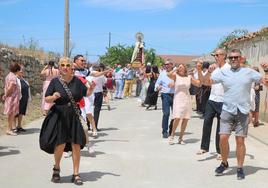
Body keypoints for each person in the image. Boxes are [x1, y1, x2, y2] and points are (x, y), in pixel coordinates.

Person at [211, 49, 268, 180]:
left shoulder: (248, 72)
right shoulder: (223, 72)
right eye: (231, 58)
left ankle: (240, 167)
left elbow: (265, 82)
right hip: (227, 110)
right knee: (223, 138)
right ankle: (224, 163)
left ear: (241, 58)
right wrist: (210, 70)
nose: (233, 59)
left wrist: (266, 71)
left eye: (236, 57)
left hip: (242, 111)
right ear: (228, 59)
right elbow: (208, 82)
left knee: (240, 141)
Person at [40, 57, 94, 185]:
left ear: (71, 67)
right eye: (62, 65)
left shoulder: (77, 81)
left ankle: (76, 173)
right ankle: (57, 168)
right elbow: (47, 98)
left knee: (76, 145)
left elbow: (86, 93)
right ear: (59, 67)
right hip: (59, 115)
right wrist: (53, 97)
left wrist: (91, 89)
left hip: (74, 115)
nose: (65, 67)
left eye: (67, 65)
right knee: (60, 144)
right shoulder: (55, 82)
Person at [197, 48, 230, 160]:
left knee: (220, 128)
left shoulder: (229, 69)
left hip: (223, 101)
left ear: (224, 56)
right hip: (212, 99)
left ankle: (220, 151)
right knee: (206, 122)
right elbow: (205, 83)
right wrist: (209, 72)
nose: (216, 57)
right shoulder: (213, 69)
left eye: (218, 55)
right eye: (214, 55)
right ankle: (204, 147)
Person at [168, 63, 201, 144]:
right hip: (178, 98)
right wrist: (174, 69)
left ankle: (181, 138)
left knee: (185, 118)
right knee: (177, 117)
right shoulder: (175, 75)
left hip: (186, 98)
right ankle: (172, 135)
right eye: (179, 67)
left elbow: (198, 83)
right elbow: (168, 75)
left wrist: (199, 72)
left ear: (185, 69)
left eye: (182, 67)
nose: (181, 68)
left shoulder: (189, 77)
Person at [155, 61, 175, 138]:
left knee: (175, 115)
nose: (166, 65)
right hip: (165, 95)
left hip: (175, 96)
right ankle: (164, 130)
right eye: (165, 64)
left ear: (171, 65)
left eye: (168, 64)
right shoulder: (162, 73)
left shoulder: (175, 73)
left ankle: (172, 128)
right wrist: (157, 87)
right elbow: (157, 83)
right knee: (166, 113)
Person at [3, 62, 21, 136]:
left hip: (10, 97)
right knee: (12, 114)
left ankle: (9, 128)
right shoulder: (13, 77)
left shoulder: (8, 75)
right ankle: (9, 129)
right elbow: (11, 87)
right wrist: (6, 95)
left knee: (10, 114)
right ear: (16, 69)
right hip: (12, 97)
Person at [15, 66, 31, 133]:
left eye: (23, 70)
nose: (22, 71)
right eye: (21, 70)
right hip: (18, 99)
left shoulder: (24, 80)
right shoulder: (15, 79)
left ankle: (19, 126)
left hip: (24, 98)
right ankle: (13, 127)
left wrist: (29, 97)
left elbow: (28, 89)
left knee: (21, 112)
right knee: (15, 113)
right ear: (17, 71)